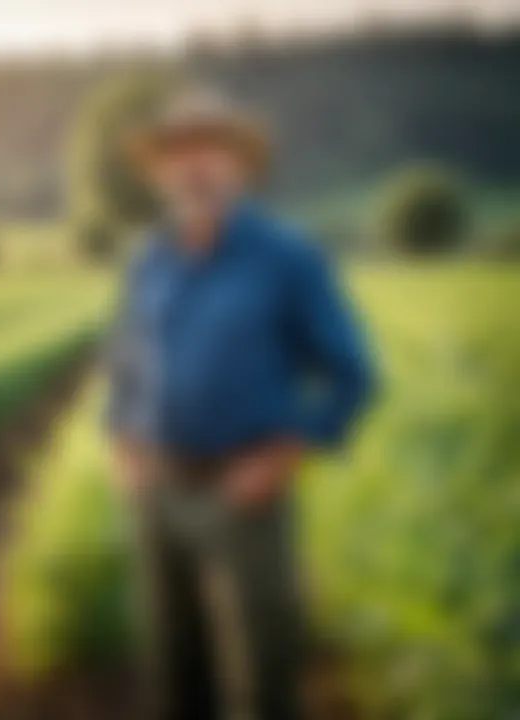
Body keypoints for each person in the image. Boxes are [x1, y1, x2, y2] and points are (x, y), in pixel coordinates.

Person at [106, 86, 376, 720]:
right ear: (158, 171)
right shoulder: (149, 259)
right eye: (178, 152)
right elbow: (124, 358)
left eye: (211, 149)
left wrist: (286, 454)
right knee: (177, 668)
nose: (193, 165)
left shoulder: (288, 258)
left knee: (266, 673)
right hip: (160, 490)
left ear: (241, 164)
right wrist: (122, 437)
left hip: (245, 490)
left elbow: (352, 373)